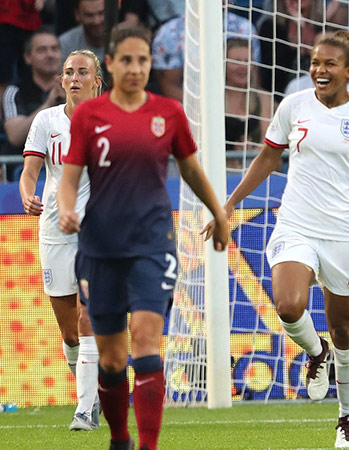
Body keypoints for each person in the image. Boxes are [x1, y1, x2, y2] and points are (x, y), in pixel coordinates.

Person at [203, 30, 349, 448]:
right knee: (289, 304)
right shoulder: (293, 106)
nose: (319, 71)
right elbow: (269, 156)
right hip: (296, 222)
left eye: (328, 64)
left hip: (343, 230)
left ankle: (347, 418)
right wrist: (229, 204)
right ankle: (316, 352)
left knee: (344, 329)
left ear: (347, 70)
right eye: (314, 62)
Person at [57, 25, 229, 450]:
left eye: (143, 60)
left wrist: (219, 213)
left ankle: (148, 446)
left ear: (151, 65)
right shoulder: (88, 118)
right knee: (113, 360)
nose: (136, 68)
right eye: (127, 60)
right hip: (99, 248)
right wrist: (65, 208)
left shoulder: (168, 113)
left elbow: (189, 169)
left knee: (147, 344)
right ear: (111, 64)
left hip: (152, 245)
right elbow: (70, 176)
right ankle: (120, 438)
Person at [19, 49, 102, 432]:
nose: (73, 77)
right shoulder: (46, 121)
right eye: (68, 72)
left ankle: (84, 410)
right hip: (54, 231)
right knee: (70, 334)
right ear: (61, 80)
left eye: (82, 72)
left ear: (97, 82)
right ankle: (90, 393)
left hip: (97, 234)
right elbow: (31, 170)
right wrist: (26, 192)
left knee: (88, 321)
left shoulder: (110, 124)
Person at [151, 8, 259, 102]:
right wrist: (208, 115)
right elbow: (170, 87)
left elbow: (254, 79)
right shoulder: (169, 33)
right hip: (191, 113)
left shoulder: (245, 28)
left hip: (243, 107)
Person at [3, 31, 63, 155]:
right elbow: (15, 137)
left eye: (54, 49)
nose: (50, 55)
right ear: (28, 57)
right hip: (28, 167)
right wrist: (48, 104)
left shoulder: (77, 87)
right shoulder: (15, 91)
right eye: (42, 50)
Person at [224, 38, 272, 159]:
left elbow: (268, 144)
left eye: (247, 61)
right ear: (223, 64)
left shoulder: (264, 99)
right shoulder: (211, 100)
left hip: (253, 167)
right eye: (236, 61)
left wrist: (251, 152)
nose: (243, 67)